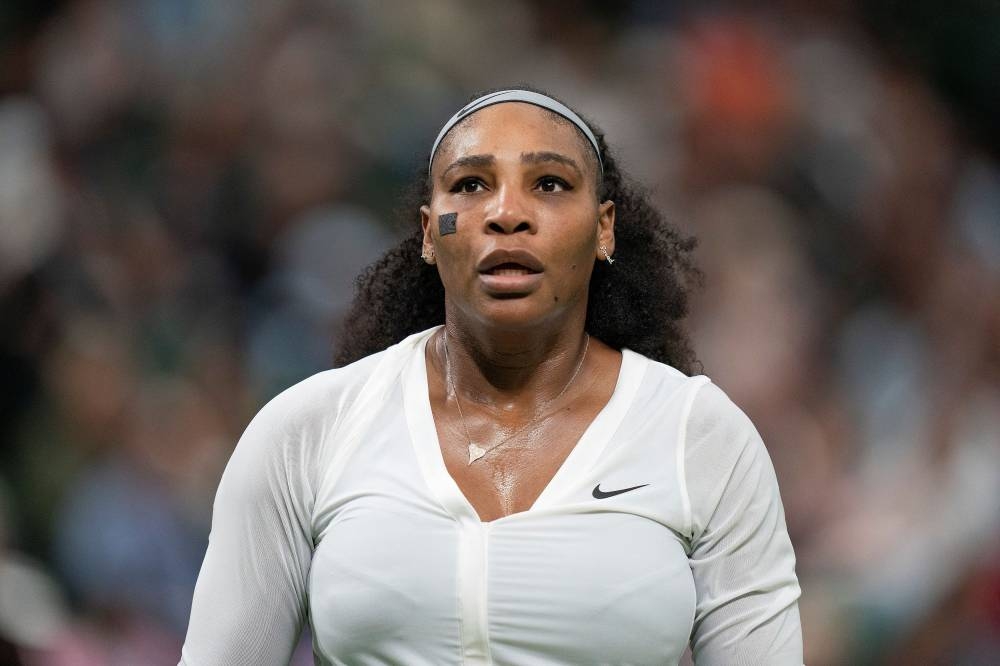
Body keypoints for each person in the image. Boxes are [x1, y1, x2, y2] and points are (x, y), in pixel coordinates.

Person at [179, 87, 802, 665]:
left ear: (603, 228)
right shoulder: (306, 432)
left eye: (551, 184)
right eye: (472, 184)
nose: (508, 213)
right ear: (429, 232)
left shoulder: (701, 436)